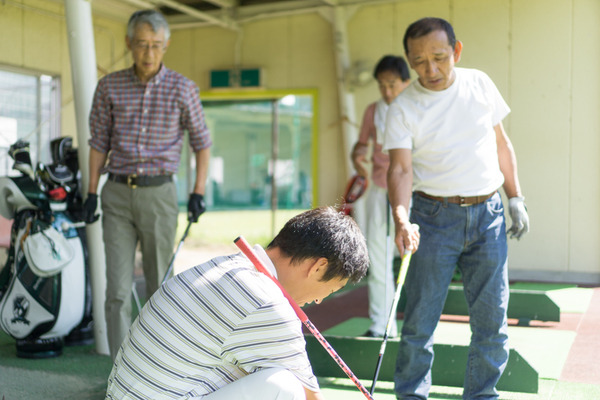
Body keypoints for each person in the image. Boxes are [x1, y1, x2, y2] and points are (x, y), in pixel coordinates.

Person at [383, 17, 530, 400]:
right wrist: (401, 218)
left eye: (439, 57)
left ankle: (482, 396)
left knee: (492, 322)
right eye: (419, 61)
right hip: (432, 218)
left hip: (489, 215)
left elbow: (501, 144)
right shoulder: (402, 107)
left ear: (456, 51)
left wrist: (515, 197)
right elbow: (400, 169)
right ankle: (411, 396)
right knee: (419, 323)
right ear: (409, 60)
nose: (430, 69)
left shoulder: (479, 83)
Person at [104, 206, 369, 400]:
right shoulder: (267, 303)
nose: (319, 300)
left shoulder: (223, 265)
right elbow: (310, 396)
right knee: (285, 387)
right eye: (330, 289)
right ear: (318, 267)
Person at [83, 9, 212, 360]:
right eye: (141, 44)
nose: (148, 53)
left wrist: (198, 191)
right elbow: (98, 142)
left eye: (156, 45)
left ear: (166, 45)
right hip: (116, 194)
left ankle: (160, 364)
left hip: (159, 195)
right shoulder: (109, 86)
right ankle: (119, 369)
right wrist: (91, 192)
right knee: (117, 290)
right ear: (129, 43)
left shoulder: (183, 88)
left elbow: (202, 143)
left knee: (160, 287)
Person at [351, 55, 410, 338]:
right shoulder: (373, 111)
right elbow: (361, 145)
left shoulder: (415, 107)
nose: (387, 91)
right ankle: (381, 326)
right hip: (380, 189)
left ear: (405, 82)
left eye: (392, 84)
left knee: (413, 259)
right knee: (378, 257)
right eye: (382, 85)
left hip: (413, 191)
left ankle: (415, 328)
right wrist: (358, 156)